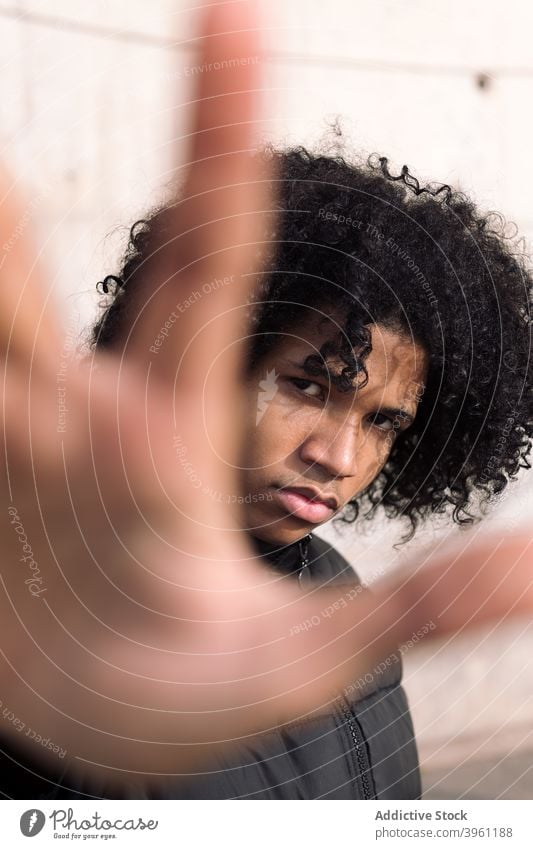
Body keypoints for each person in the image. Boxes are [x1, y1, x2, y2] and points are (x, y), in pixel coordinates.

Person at [0, 1, 531, 801]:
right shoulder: (59, 603)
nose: (336, 456)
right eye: (305, 386)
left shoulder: (344, 599)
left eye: (383, 421)